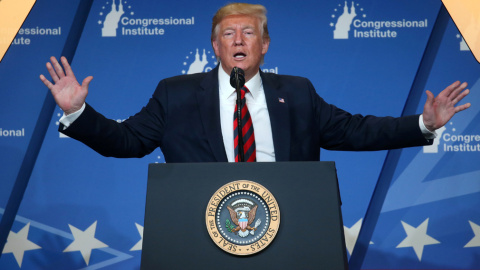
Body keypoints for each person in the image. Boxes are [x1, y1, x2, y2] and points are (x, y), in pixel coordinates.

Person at [39, 3, 470, 163]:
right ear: (215, 45)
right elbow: (128, 141)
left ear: (264, 45)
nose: (239, 40)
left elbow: (354, 131)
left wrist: (423, 124)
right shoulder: (176, 93)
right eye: (229, 33)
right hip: (201, 227)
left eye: (248, 33)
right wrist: (77, 111)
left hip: (292, 224)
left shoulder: (296, 92)